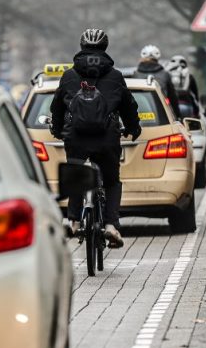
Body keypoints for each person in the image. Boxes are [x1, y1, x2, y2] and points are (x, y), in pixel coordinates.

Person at [50, 28, 141, 248]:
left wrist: (58, 129)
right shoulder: (116, 76)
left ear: (82, 47)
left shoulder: (70, 75)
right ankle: (111, 225)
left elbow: (57, 107)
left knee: (76, 173)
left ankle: (72, 220)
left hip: (76, 137)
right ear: (105, 47)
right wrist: (132, 127)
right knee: (111, 181)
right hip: (107, 138)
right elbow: (129, 106)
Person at [133, 45, 181, 115]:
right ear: (157, 59)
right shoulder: (165, 74)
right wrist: (178, 115)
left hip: (139, 115)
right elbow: (173, 98)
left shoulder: (136, 75)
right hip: (162, 114)